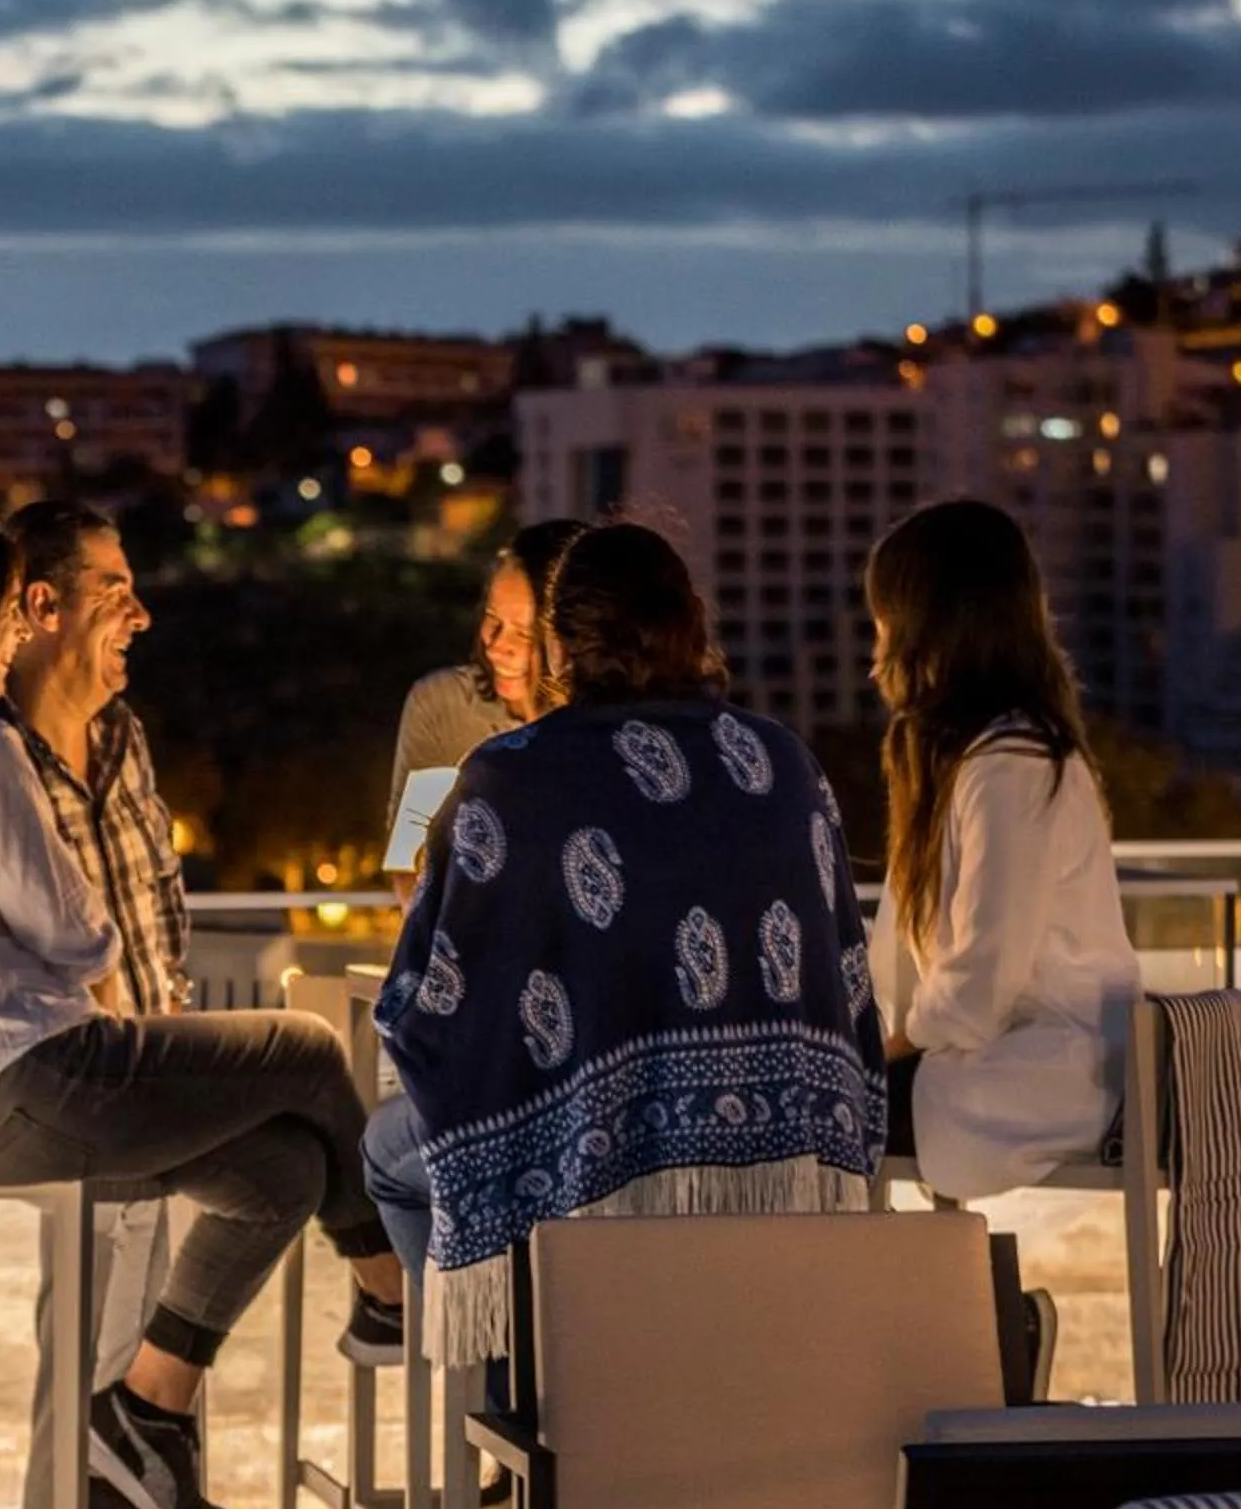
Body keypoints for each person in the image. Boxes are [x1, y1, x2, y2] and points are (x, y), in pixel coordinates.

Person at [0, 502, 406, 1509]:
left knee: (279, 1171)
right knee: (305, 1049)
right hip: (37, 1076)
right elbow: (80, 935)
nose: (8, 639)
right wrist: (48, 966)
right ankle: (396, 1293)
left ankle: (147, 1410)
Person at [361, 521, 887, 1366]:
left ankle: (520, 1402)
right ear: (691, 625)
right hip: (785, 1160)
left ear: (560, 643)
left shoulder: (510, 774)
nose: (495, 644)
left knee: (392, 1158)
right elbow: (848, 984)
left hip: (586, 1169)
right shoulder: (784, 762)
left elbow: (426, 997)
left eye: (519, 630)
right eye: (489, 626)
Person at [0, 500, 188, 1509]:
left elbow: (157, 903)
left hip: (148, 1080)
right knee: (101, 1346)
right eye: (116, 586)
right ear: (42, 605)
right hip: (64, 1093)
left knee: (118, 1343)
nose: (142, 611)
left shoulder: (124, 738)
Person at [862, 498, 1140, 1203]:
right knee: (829, 1100)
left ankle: (937, 1303)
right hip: (1007, 1060)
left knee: (820, 1120)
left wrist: (888, 1047)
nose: (875, 646)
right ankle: (970, 1302)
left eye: (884, 618)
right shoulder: (971, 761)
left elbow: (980, 986)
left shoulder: (1010, 767)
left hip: (1052, 1073)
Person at [385, 519, 589, 873]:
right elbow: (410, 859)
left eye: (524, 634)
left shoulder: (607, 731)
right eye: (492, 617)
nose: (495, 645)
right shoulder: (445, 708)